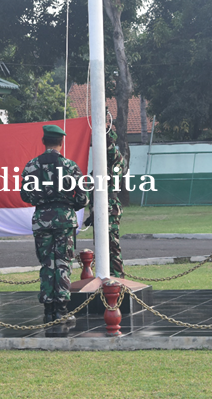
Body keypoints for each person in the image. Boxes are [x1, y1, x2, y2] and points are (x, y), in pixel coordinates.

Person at [20, 124, 89, 323]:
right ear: (61, 141)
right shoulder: (70, 166)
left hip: (42, 220)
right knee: (62, 263)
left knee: (47, 264)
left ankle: (48, 310)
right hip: (64, 220)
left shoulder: (31, 165)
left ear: (44, 141)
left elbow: (25, 195)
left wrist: (41, 202)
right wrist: (70, 205)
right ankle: (61, 309)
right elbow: (83, 198)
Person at [84, 127, 127, 278]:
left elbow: (110, 149)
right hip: (100, 207)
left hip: (110, 207)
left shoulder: (115, 159)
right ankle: (105, 276)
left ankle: (116, 278)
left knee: (111, 245)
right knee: (102, 246)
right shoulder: (101, 161)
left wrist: (103, 129)